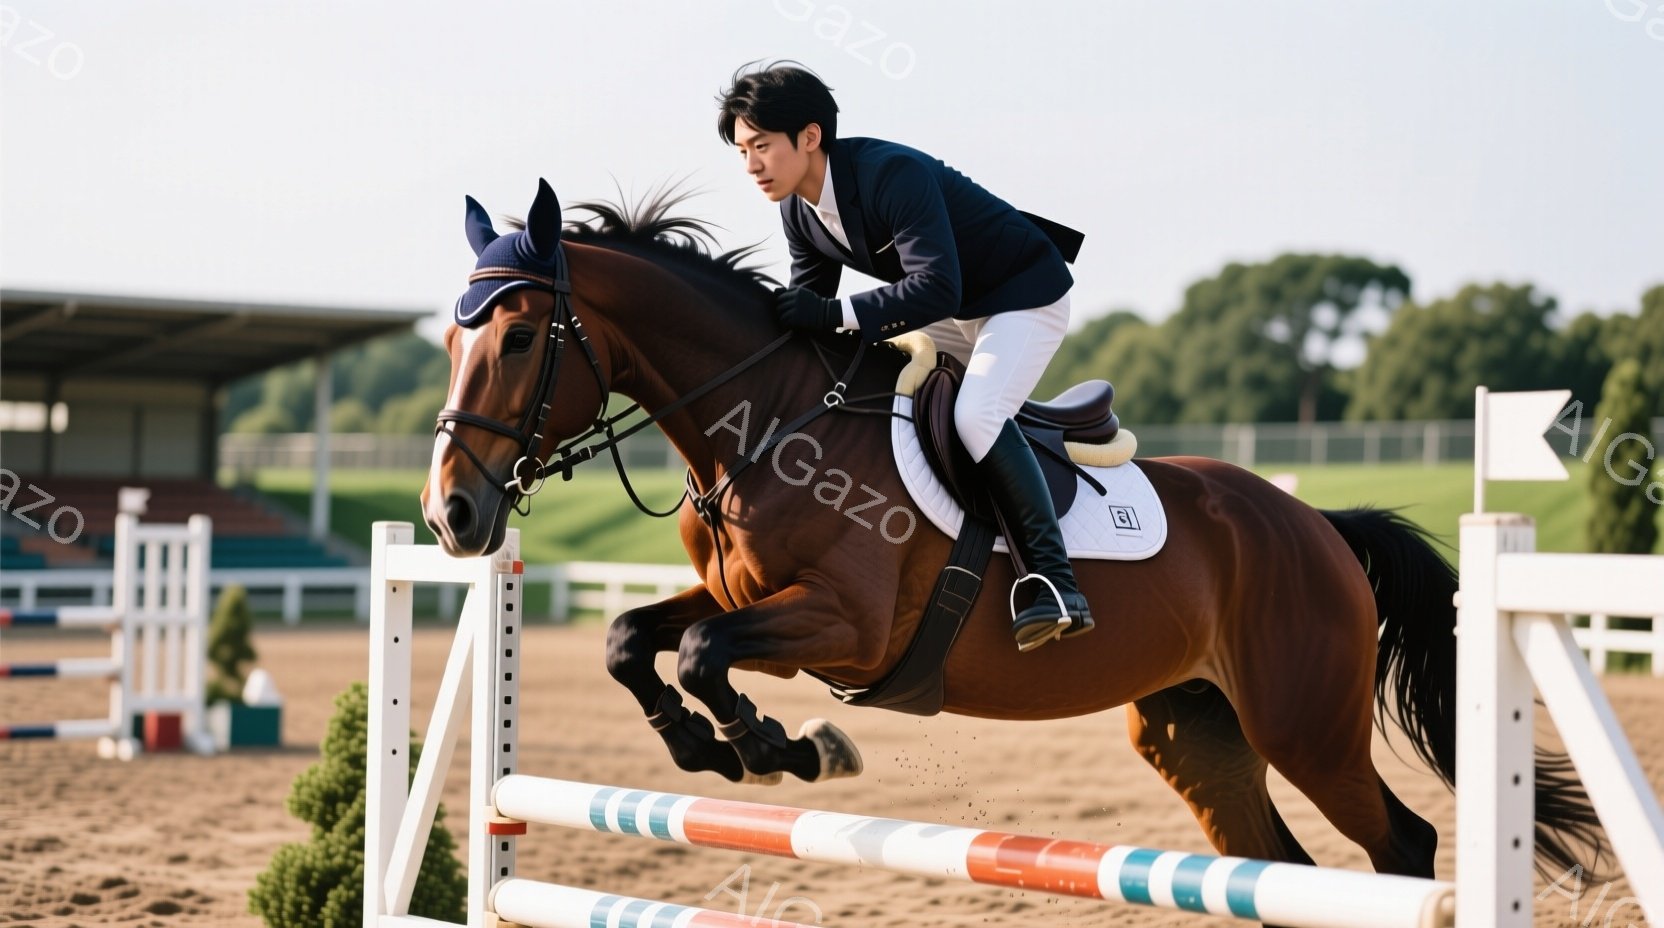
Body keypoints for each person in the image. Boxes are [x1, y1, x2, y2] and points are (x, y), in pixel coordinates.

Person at [715, 62, 1092, 652]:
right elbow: (808, 312)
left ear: (809, 137)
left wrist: (832, 313)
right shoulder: (797, 211)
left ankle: (1053, 581)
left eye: (761, 146)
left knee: (976, 416)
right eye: (741, 151)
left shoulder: (891, 174)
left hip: (1021, 297)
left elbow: (933, 287)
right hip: (952, 310)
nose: (751, 166)